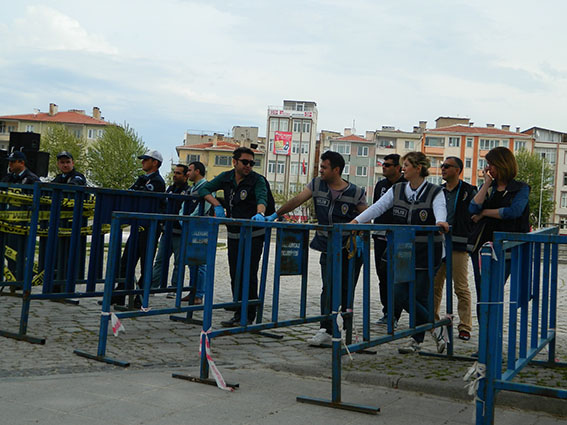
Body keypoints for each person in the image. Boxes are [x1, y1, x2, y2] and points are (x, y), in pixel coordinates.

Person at [351, 151, 448, 354]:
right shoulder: (396, 190)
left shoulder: (434, 191)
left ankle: (416, 340)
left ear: (418, 168)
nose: (403, 168)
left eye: (406, 164)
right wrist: (357, 220)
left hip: (426, 251)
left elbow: (440, 209)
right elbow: (378, 207)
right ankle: (435, 326)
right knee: (398, 294)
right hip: (402, 250)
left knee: (420, 295)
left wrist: (441, 221)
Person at [266, 151, 368, 346]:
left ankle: (344, 330)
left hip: (350, 250)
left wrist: (362, 234)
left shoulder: (355, 192)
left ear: (336, 170)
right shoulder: (316, 184)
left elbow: (366, 216)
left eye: (324, 167)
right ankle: (326, 329)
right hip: (327, 247)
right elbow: (297, 199)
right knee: (328, 288)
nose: (320, 170)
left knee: (346, 289)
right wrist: (275, 214)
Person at [199, 147, 268, 326]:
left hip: (253, 233)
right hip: (234, 232)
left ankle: (248, 314)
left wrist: (260, 213)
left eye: (252, 163)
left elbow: (262, 198)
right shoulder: (227, 177)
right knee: (235, 272)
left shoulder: (257, 180)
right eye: (245, 162)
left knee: (249, 272)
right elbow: (204, 189)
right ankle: (238, 307)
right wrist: (217, 205)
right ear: (235, 162)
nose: (248, 166)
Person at [468, 147, 530, 320]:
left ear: (502, 164)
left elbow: (514, 211)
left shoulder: (520, 188)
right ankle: (484, 341)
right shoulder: (490, 187)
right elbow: (472, 208)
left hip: (506, 249)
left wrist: (485, 213)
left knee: (493, 292)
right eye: (487, 164)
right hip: (482, 247)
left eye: (491, 164)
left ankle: (491, 339)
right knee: (482, 294)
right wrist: (486, 183)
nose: (488, 168)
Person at [111, 150, 166, 307]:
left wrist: (140, 187)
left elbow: (145, 197)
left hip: (149, 227)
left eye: (146, 160)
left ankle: (140, 296)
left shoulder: (157, 181)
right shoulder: (143, 179)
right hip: (138, 225)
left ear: (155, 162)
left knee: (145, 262)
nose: (142, 162)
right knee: (127, 260)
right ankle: (121, 292)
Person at [433, 156, 476, 342]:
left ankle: (465, 326)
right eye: (442, 166)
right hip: (438, 243)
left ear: (458, 170)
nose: (442, 168)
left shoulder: (468, 191)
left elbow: (475, 214)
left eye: (447, 166)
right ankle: (432, 322)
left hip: (458, 244)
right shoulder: (437, 191)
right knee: (434, 285)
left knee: (461, 287)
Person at [372, 154, 406, 326]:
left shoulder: (405, 185)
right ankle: (387, 311)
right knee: (382, 275)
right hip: (380, 235)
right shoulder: (380, 185)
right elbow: (375, 208)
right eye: (383, 164)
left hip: (399, 238)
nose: (384, 167)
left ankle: (396, 312)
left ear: (398, 168)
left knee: (398, 276)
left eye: (388, 165)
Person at [150, 164, 189, 297]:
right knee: (160, 260)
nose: (175, 175)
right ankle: (153, 287)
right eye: (174, 172)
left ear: (185, 176)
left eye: (178, 173)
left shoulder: (187, 191)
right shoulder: (170, 189)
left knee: (179, 263)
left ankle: (174, 289)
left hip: (180, 233)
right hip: (166, 231)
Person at [179, 161, 212, 304]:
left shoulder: (206, 187)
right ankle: (192, 291)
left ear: (197, 171)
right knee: (192, 262)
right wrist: (182, 219)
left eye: (190, 170)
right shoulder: (191, 189)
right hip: (190, 227)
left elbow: (204, 208)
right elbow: (183, 206)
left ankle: (199, 294)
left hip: (200, 228)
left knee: (200, 263)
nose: (188, 173)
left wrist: (189, 220)